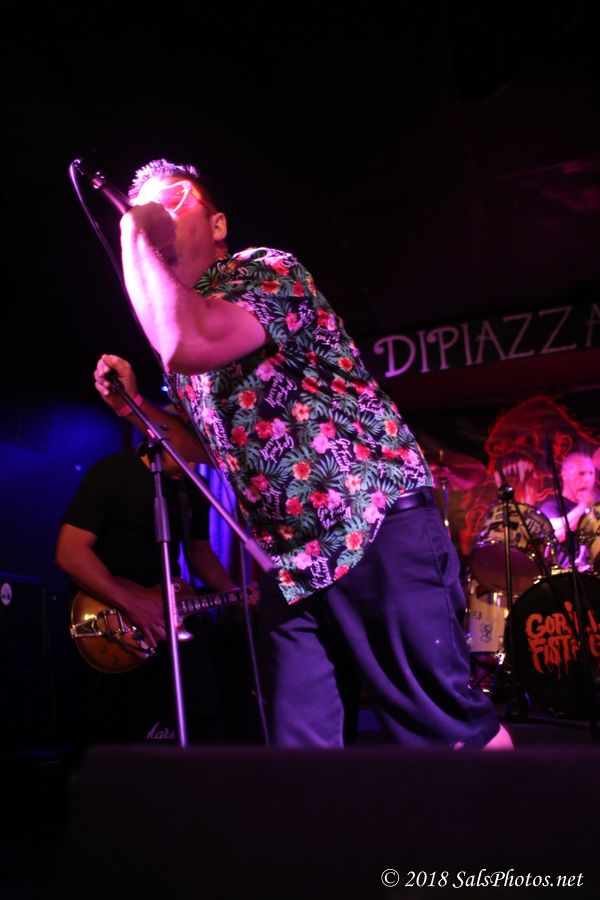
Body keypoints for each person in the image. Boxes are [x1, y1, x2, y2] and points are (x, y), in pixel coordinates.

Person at [93, 157, 512, 750]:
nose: (157, 212)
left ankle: (512, 813)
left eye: (175, 198)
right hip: (292, 565)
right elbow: (209, 447)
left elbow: (190, 339)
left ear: (218, 224)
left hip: (371, 523)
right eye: (147, 205)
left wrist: (132, 227)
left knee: (444, 729)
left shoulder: (265, 272)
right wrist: (136, 406)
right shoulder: (182, 339)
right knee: (301, 754)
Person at [56, 441, 257, 747]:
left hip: (166, 615)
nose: (191, 465)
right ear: (158, 434)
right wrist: (132, 604)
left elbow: (200, 553)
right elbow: (70, 552)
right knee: (115, 723)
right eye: (185, 453)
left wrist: (233, 591)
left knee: (205, 709)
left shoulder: (193, 488)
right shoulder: (113, 472)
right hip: (110, 617)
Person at [541, 451, 599, 569]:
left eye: (591, 473)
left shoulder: (597, 504)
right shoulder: (551, 506)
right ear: (565, 475)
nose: (587, 479)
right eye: (581, 473)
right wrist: (584, 506)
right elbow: (554, 534)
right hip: (567, 575)